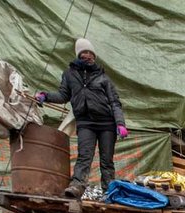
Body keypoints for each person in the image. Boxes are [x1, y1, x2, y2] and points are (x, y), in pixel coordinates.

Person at [37, 39, 128, 199]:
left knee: (107, 160)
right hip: (86, 123)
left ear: (94, 56)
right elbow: (63, 95)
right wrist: (46, 96)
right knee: (84, 156)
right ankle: (77, 186)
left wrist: (120, 123)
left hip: (107, 123)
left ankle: (109, 191)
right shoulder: (69, 74)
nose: (88, 55)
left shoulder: (103, 77)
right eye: (84, 53)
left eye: (91, 53)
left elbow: (115, 102)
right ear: (79, 55)